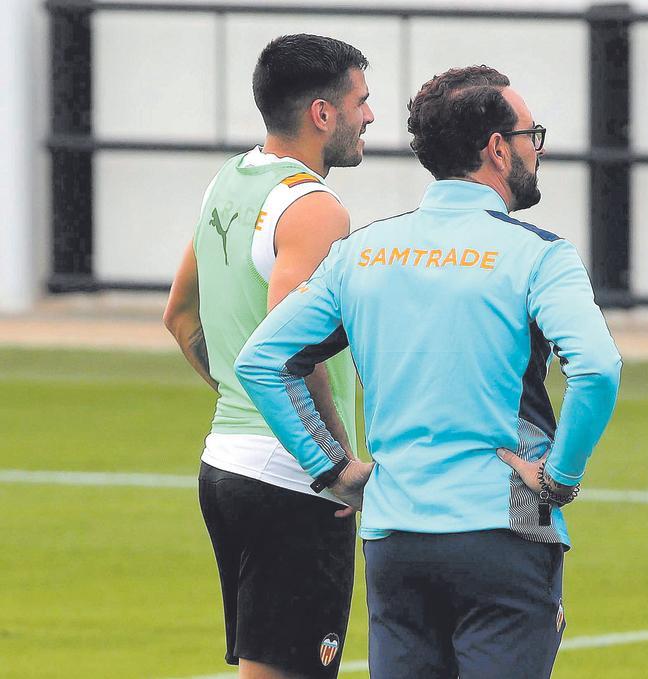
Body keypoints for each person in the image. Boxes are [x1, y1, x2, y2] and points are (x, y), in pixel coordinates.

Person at [235, 65, 622, 679]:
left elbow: (261, 362)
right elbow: (597, 370)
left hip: (396, 540)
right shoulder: (539, 254)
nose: (536, 149)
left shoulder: (363, 251)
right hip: (504, 528)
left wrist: (332, 470)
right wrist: (559, 481)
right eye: (531, 136)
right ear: (497, 149)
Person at [162, 34, 375, 679]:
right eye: (361, 101)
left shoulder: (226, 184)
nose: (370, 116)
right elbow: (295, 350)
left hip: (225, 464)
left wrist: (240, 402)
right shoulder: (313, 209)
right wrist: (335, 461)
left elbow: (179, 317)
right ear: (322, 113)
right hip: (293, 477)